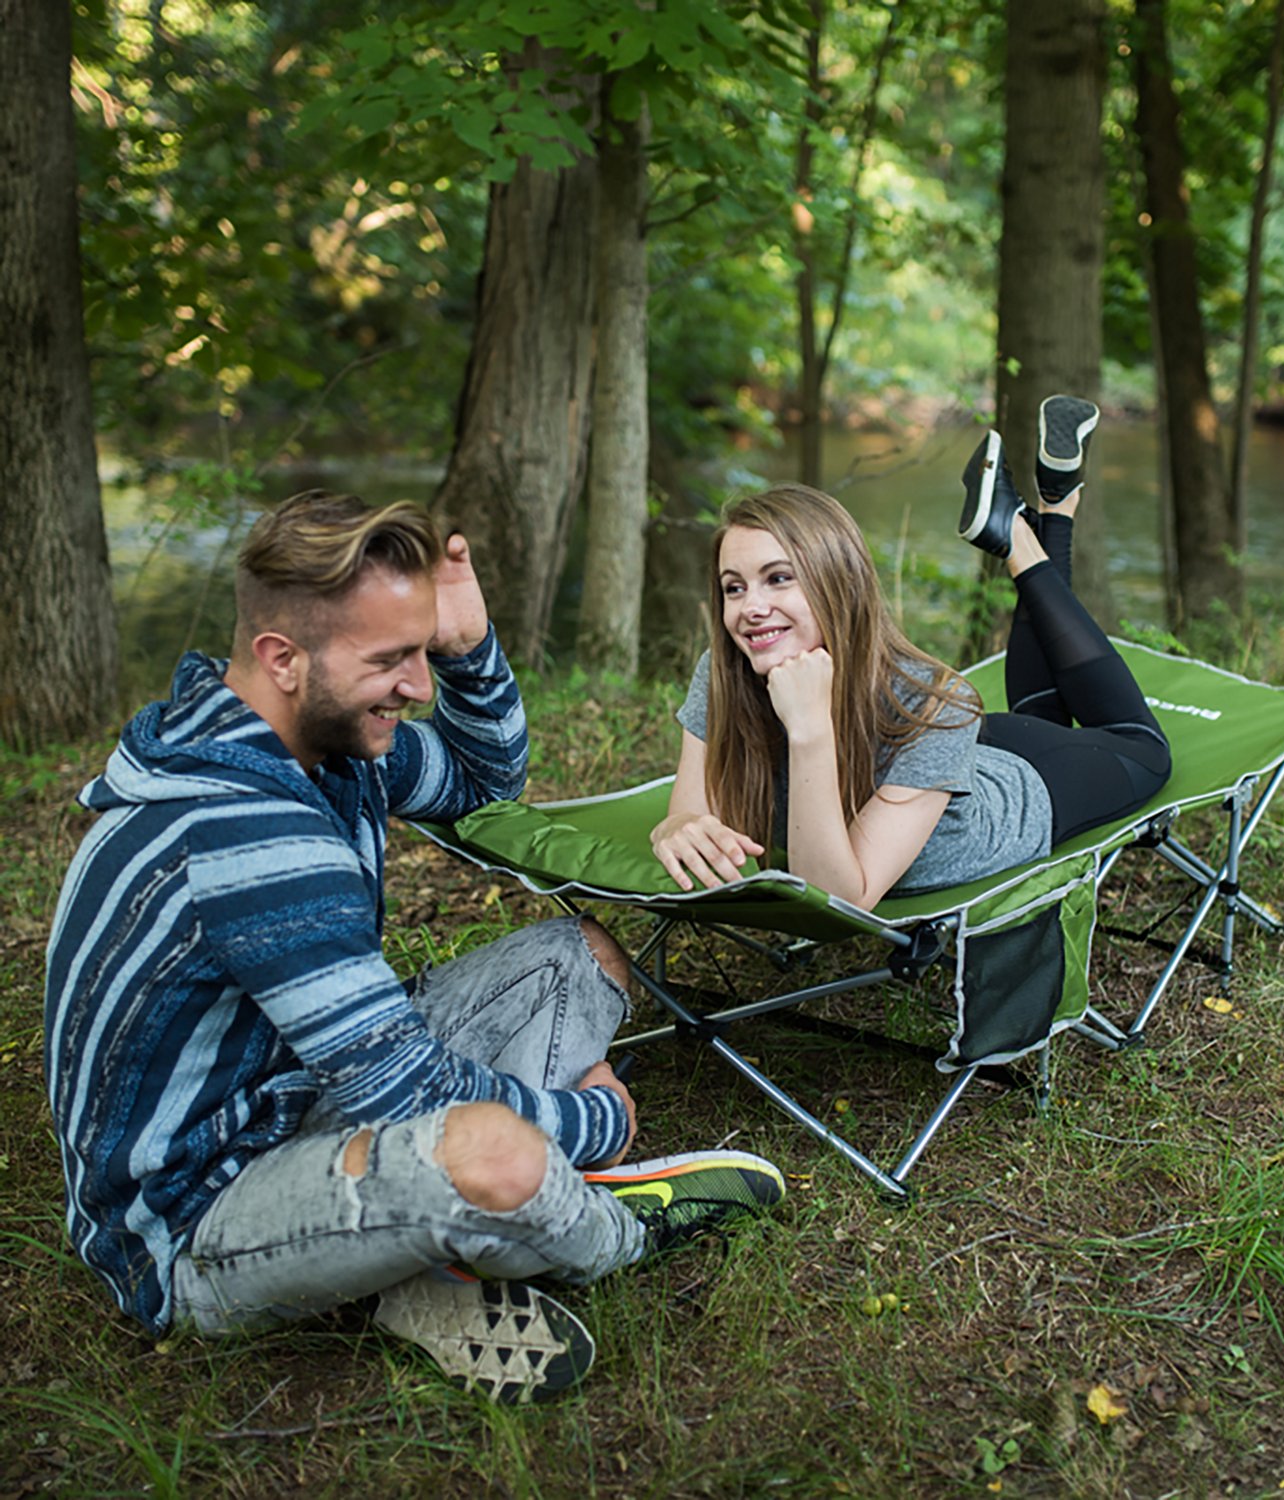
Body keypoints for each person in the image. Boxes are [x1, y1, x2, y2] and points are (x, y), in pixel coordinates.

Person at [45, 491, 784, 1405]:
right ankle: (607, 1224)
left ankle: (424, 1270)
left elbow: (483, 780)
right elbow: (405, 1093)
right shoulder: (250, 832)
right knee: (497, 1155)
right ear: (282, 659)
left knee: (579, 955)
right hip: (193, 1221)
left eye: (422, 651)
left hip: (288, 1096)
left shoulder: (306, 736)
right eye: (392, 659)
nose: (419, 687)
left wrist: (469, 648)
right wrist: (595, 1123)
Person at [650, 396, 1172, 909]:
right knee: (1041, 710)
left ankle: (1016, 534)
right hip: (945, 763)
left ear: (838, 585)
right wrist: (676, 826)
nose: (751, 608)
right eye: (733, 588)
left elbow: (836, 896)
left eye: (778, 578)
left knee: (1144, 746)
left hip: (1029, 783)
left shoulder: (933, 705)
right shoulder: (725, 671)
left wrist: (808, 728)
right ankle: (1056, 508)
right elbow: (690, 807)